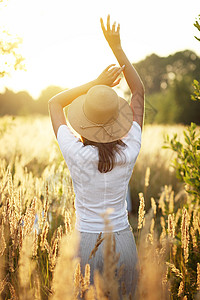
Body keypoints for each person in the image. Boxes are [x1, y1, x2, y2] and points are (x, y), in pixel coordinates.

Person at [48, 15, 144, 299]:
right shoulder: (130, 149)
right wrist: (117, 49)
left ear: (83, 120)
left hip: (85, 243)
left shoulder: (74, 152)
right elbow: (138, 91)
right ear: (118, 120)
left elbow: (55, 102)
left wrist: (95, 83)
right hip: (123, 241)